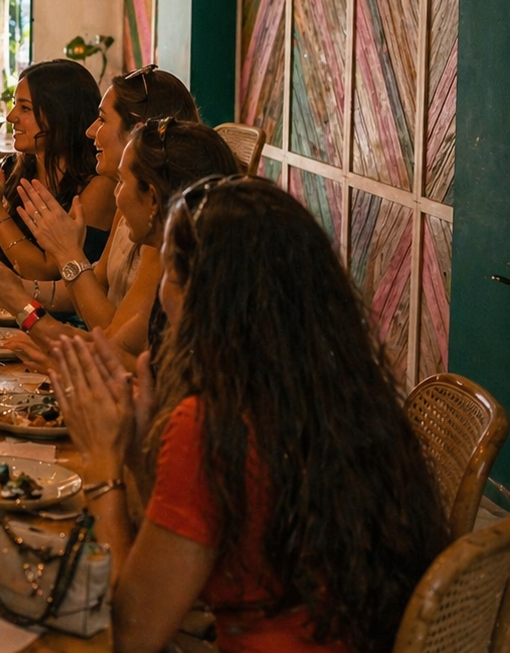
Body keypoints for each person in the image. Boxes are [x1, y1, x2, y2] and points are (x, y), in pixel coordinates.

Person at [50, 177, 448, 653]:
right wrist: (136, 451)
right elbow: (195, 544)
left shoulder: (210, 423)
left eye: (170, 275)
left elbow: (129, 635)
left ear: (210, 296)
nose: (161, 293)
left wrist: (101, 468)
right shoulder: (336, 390)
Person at [0, 64, 200, 347]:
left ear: (138, 134)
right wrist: (6, 284)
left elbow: (117, 344)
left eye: (102, 120)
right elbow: (96, 284)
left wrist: (60, 261)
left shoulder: (163, 227)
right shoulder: (124, 200)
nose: (91, 131)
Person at [0, 60, 114, 280]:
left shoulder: (98, 186)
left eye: (25, 108)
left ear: (61, 115)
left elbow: (46, 273)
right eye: (14, 105)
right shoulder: (12, 170)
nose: (11, 116)